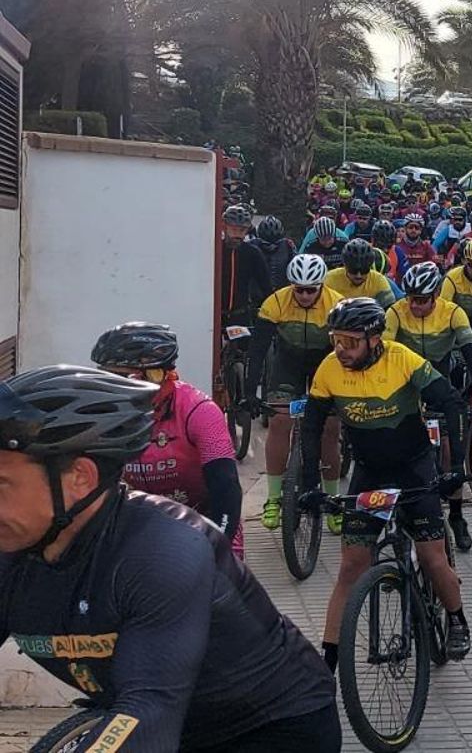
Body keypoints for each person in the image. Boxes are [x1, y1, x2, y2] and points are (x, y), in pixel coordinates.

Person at [0, 365, 339, 752]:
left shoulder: (165, 551)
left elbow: (149, 713)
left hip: (271, 727)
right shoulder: (12, 549)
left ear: (81, 477)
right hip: (160, 718)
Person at [296, 297, 472, 668]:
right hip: (369, 473)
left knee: (431, 555)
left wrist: (456, 468)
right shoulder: (329, 368)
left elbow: (453, 403)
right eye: (336, 340)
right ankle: (326, 663)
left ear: (374, 339)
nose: (341, 350)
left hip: (414, 468)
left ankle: (456, 619)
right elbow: (311, 427)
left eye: (350, 342)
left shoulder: (403, 359)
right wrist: (309, 484)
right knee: (350, 567)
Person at [91, 322, 244, 562]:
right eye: (106, 376)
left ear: (156, 375)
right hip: (140, 526)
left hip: (206, 520)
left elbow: (227, 489)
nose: (112, 386)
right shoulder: (104, 413)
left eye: (121, 377)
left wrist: (217, 548)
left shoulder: (201, 412)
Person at [385, 262, 472, 550]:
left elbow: (471, 353)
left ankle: (457, 517)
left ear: (436, 295)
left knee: (451, 454)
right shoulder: (396, 311)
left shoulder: (453, 312)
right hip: (406, 382)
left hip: (439, 379)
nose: (416, 305)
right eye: (411, 299)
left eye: (422, 300)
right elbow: (381, 353)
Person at [245, 254, 342, 532]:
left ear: (322, 286)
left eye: (311, 289)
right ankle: (274, 498)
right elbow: (258, 349)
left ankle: (333, 500)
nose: (304, 294)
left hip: (325, 365)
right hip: (288, 365)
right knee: (279, 422)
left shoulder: (336, 304)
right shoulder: (276, 302)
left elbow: (347, 350)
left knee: (330, 430)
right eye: (298, 289)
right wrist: (251, 392)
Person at [220, 205, 270, 325]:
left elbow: (265, 285)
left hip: (241, 315)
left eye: (242, 230)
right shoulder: (215, 250)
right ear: (224, 227)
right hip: (215, 315)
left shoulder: (252, 253)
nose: (237, 235)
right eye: (233, 230)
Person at [322, 239, 396, 309]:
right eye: (353, 270)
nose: (358, 275)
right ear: (345, 265)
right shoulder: (329, 280)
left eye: (364, 270)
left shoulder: (379, 281)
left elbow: (389, 310)